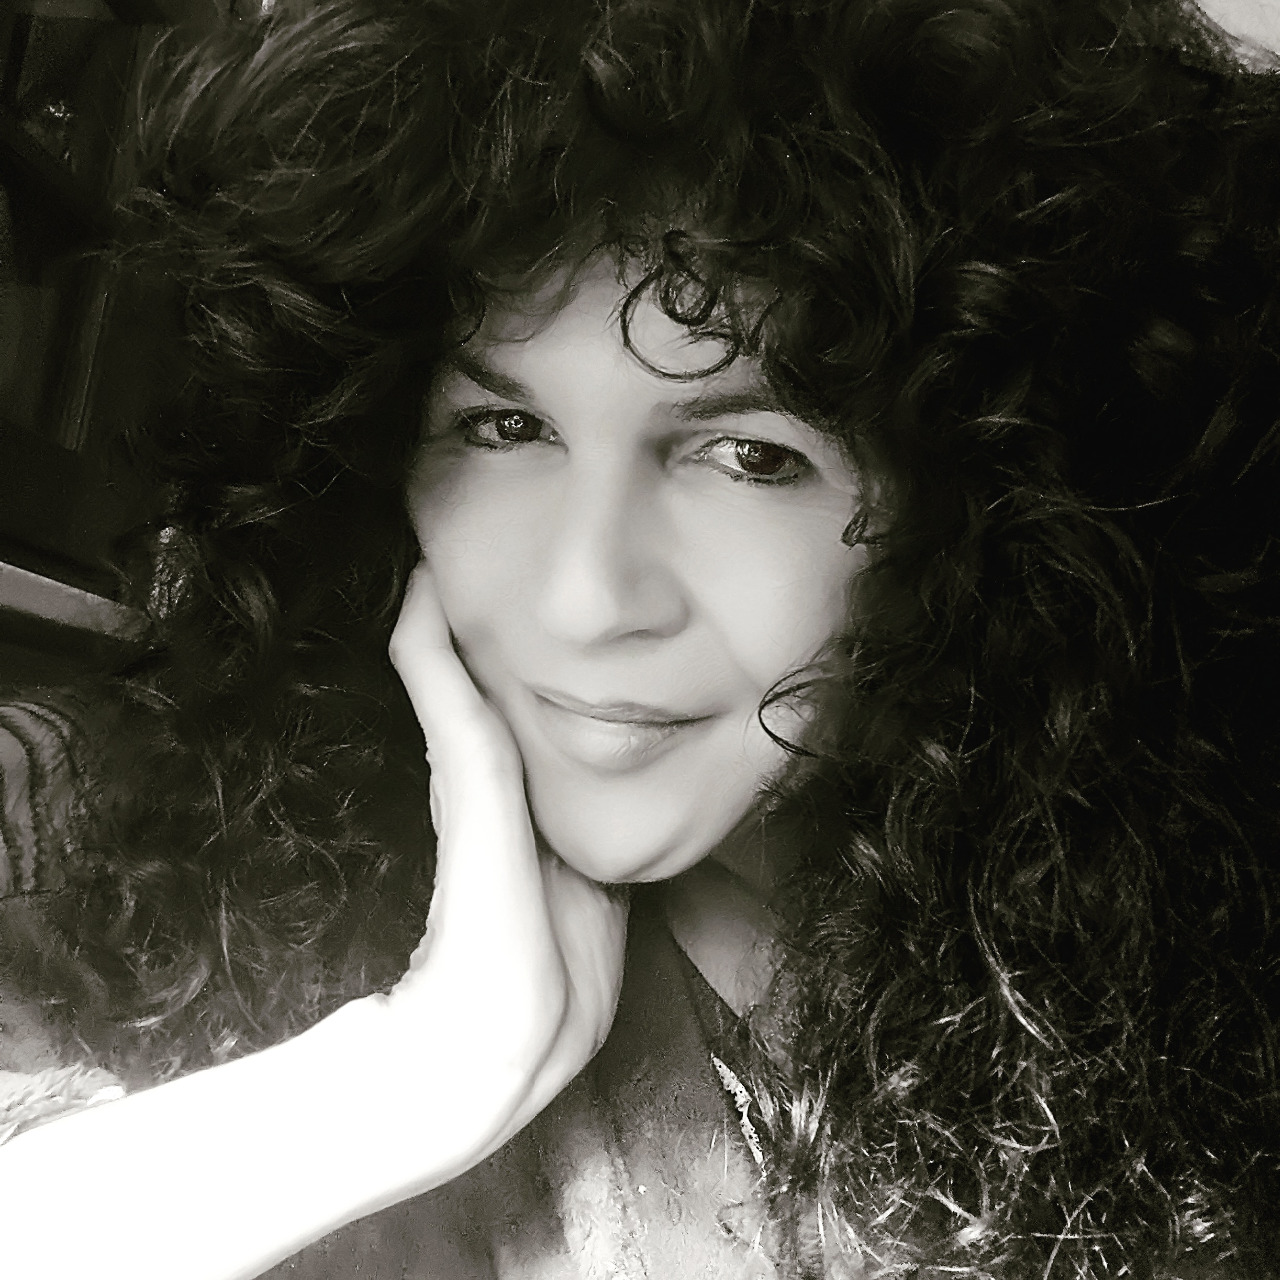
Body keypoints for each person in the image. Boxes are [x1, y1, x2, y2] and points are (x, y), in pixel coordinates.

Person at [1, 0, 1278, 1276]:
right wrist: (411, 1077)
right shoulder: (86, 844)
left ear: (980, 510)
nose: (582, 598)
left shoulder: (1198, 1018)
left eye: (750, 455)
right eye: (505, 428)